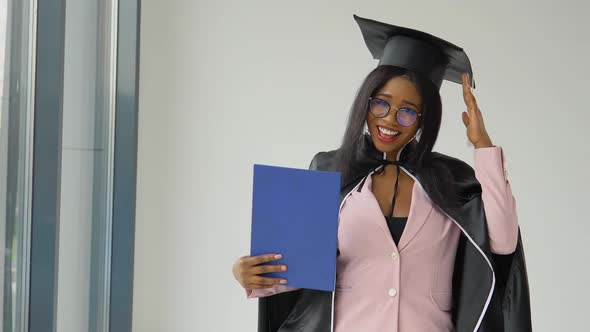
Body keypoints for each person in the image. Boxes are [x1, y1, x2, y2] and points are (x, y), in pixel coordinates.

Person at [232, 14, 532, 332]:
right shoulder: (329, 172)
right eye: (381, 104)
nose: (389, 120)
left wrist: (482, 144)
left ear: (422, 119)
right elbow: (295, 270)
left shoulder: (452, 179)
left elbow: (503, 242)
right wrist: (246, 273)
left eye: (407, 112)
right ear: (367, 102)